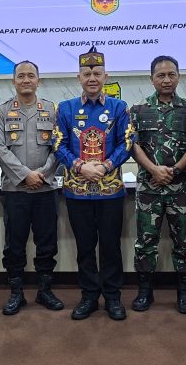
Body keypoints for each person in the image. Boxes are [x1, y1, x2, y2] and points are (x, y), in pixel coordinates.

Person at [53, 46, 133, 321]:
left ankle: (112, 297)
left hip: (110, 191)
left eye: (97, 73)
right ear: (79, 78)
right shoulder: (66, 108)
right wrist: (79, 166)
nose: (92, 78)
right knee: (85, 247)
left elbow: (127, 143)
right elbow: (58, 143)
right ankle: (88, 296)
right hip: (77, 192)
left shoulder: (119, 107)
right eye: (87, 74)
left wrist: (106, 166)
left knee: (110, 246)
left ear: (105, 77)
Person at [0, 60, 65, 315]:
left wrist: (42, 175)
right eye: (20, 76)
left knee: (47, 243)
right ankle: (16, 293)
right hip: (15, 191)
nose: (25, 80)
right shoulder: (0, 112)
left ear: (38, 80)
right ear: (13, 81)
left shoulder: (53, 110)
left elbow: (59, 147)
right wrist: (25, 176)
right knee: (14, 245)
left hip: (46, 189)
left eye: (30, 75)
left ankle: (45, 291)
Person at [128, 56, 186, 314]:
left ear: (178, 77)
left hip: (181, 189)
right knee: (145, 243)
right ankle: (144, 292)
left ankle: (185, 294)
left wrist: (175, 170)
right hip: (149, 189)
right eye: (161, 75)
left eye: (171, 74)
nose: (166, 80)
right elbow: (132, 145)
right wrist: (154, 170)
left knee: (185, 243)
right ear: (152, 79)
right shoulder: (138, 110)